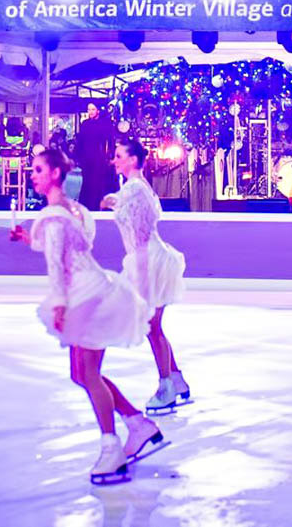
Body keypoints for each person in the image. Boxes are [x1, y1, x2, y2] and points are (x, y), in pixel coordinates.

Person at [9, 145, 161, 485]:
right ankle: (137, 422)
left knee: (88, 373)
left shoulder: (55, 214)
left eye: (37, 170)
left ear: (55, 174)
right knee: (81, 373)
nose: (32, 176)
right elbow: (73, 243)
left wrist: (60, 304)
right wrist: (29, 240)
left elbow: (56, 264)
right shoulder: (72, 210)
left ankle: (112, 448)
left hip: (86, 295)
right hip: (91, 289)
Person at [104, 138, 191, 414]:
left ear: (132, 160)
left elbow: (140, 234)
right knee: (154, 328)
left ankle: (166, 385)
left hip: (148, 261)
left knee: (152, 328)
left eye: (119, 156)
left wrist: (140, 278)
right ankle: (176, 380)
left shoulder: (133, 189)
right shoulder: (136, 188)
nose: (114, 160)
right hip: (148, 259)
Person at [74, 104, 117, 210]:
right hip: (87, 157)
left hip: (100, 157)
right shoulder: (85, 124)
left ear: (98, 110)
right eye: (89, 110)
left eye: (93, 109)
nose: (91, 112)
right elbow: (81, 141)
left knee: (99, 181)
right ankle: (87, 205)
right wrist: (78, 156)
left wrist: (111, 155)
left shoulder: (105, 123)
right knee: (88, 181)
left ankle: (99, 204)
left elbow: (110, 140)